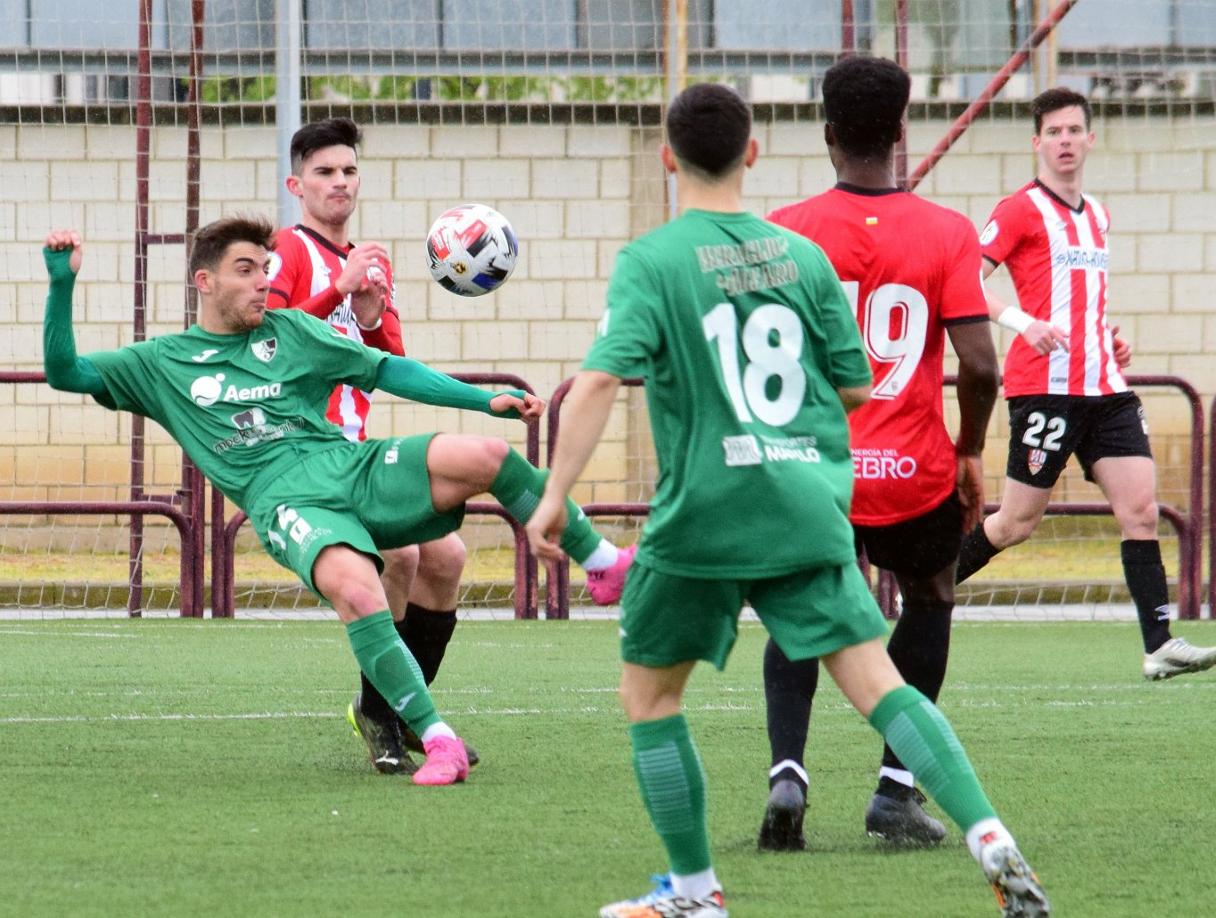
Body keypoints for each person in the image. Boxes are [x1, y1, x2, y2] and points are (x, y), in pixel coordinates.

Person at [526, 83, 1049, 918]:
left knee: (651, 697)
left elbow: (595, 384)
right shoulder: (798, 257)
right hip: (804, 503)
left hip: (702, 512)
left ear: (669, 159)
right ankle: (991, 838)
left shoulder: (653, 260)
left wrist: (555, 495)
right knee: (882, 683)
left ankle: (696, 893)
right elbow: (850, 383)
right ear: (754, 153)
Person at [40, 216, 633, 787]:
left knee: (487, 456)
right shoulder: (158, 363)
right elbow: (65, 372)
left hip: (349, 465)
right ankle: (437, 737)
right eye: (245, 270)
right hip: (288, 503)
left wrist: (484, 401)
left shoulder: (292, 331)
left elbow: (384, 369)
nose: (263, 281)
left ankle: (604, 564)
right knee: (358, 588)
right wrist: (62, 283)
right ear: (205, 281)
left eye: (265, 269)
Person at [757, 56, 1000, 851]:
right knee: (929, 597)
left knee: (799, 612)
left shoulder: (785, 229)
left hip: (814, 469)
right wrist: (968, 453)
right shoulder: (949, 232)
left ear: (826, 134)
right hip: (915, 473)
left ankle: (787, 774)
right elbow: (981, 364)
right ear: (900, 133)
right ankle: (896, 792)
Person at [957, 87, 1216, 681]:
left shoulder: (1099, 214)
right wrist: (1022, 324)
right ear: (1037, 143)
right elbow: (964, 280)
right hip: (1045, 390)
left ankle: (1159, 644)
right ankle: (924, 592)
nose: (1065, 141)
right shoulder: (1020, 209)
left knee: (1140, 510)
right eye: (1054, 132)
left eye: (1074, 130)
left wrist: (1109, 338)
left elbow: (1080, 300)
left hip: (1105, 388)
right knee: (1015, 525)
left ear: (1091, 138)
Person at [267, 117, 473, 775]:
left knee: (447, 555)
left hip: (352, 449)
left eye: (349, 170)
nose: (339, 183)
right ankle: (390, 715)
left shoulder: (366, 262)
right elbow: (261, 338)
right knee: (402, 555)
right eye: (325, 172)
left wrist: (371, 314)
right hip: (302, 455)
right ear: (296, 184)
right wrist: (339, 287)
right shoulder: (290, 250)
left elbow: (395, 362)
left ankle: (395, 713)